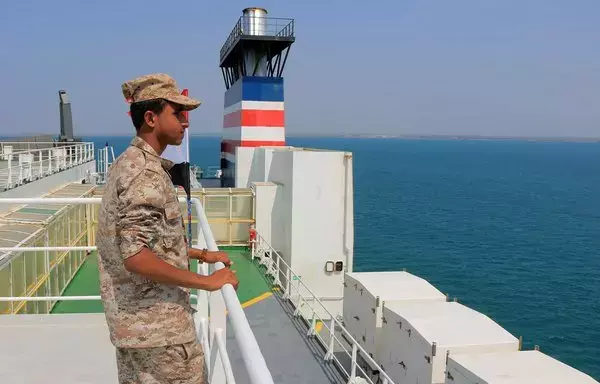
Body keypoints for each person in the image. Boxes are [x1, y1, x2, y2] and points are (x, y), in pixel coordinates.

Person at [96, 73, 239, 384]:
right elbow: (136, 257)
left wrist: (202, 254)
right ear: (151, 118)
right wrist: (209, 283)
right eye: (177, 113)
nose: (185, 123)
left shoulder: (126, 163)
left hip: (135, 327)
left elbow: (148, 240)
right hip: (161, 334)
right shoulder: (145, 174)